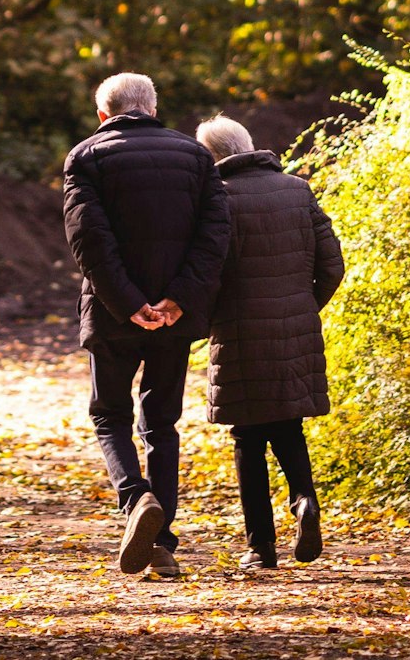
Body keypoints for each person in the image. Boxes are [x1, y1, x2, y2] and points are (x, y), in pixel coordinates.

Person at [62, 72, 230, 580]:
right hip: (174, 318)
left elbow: (88, 239)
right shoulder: (196, 157)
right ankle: (161, 543)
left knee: (109, 415)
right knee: (160, 423)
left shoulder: (86, 157)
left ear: (102, 115)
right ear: (154, 108)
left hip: (113, 314)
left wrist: (129, 302)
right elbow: (215, 234)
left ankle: (137, 500)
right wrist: (178, 299)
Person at [194, 114, 345, 570]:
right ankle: (304, 500)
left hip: (239, 331)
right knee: (288, 424)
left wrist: (206, 320)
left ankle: (261, 548)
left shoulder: (216, 199)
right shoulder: (298, 190)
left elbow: (207, 272)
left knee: (248, 437)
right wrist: (302, 306)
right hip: (294, 326)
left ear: (211, 155)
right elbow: (333, 265)